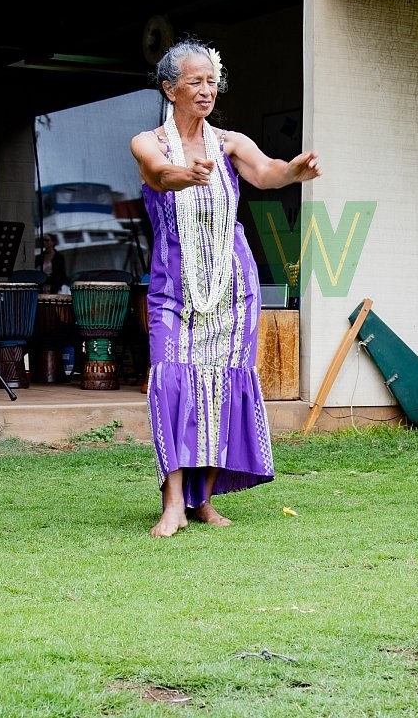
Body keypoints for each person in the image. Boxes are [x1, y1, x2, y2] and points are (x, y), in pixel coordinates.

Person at [130, 41, 320, 537]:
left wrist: (293, 171)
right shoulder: (148, 141)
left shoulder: (230, 143)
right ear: (170, 89)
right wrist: (183, 174)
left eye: (212, 80)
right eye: (195, 81)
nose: (206, 90)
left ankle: (205, 499)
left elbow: (267, 172)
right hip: (174, 285)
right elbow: (156, 173)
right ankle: (173, 501)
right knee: (172, 379)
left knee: (222, 384)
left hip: (233, 285)